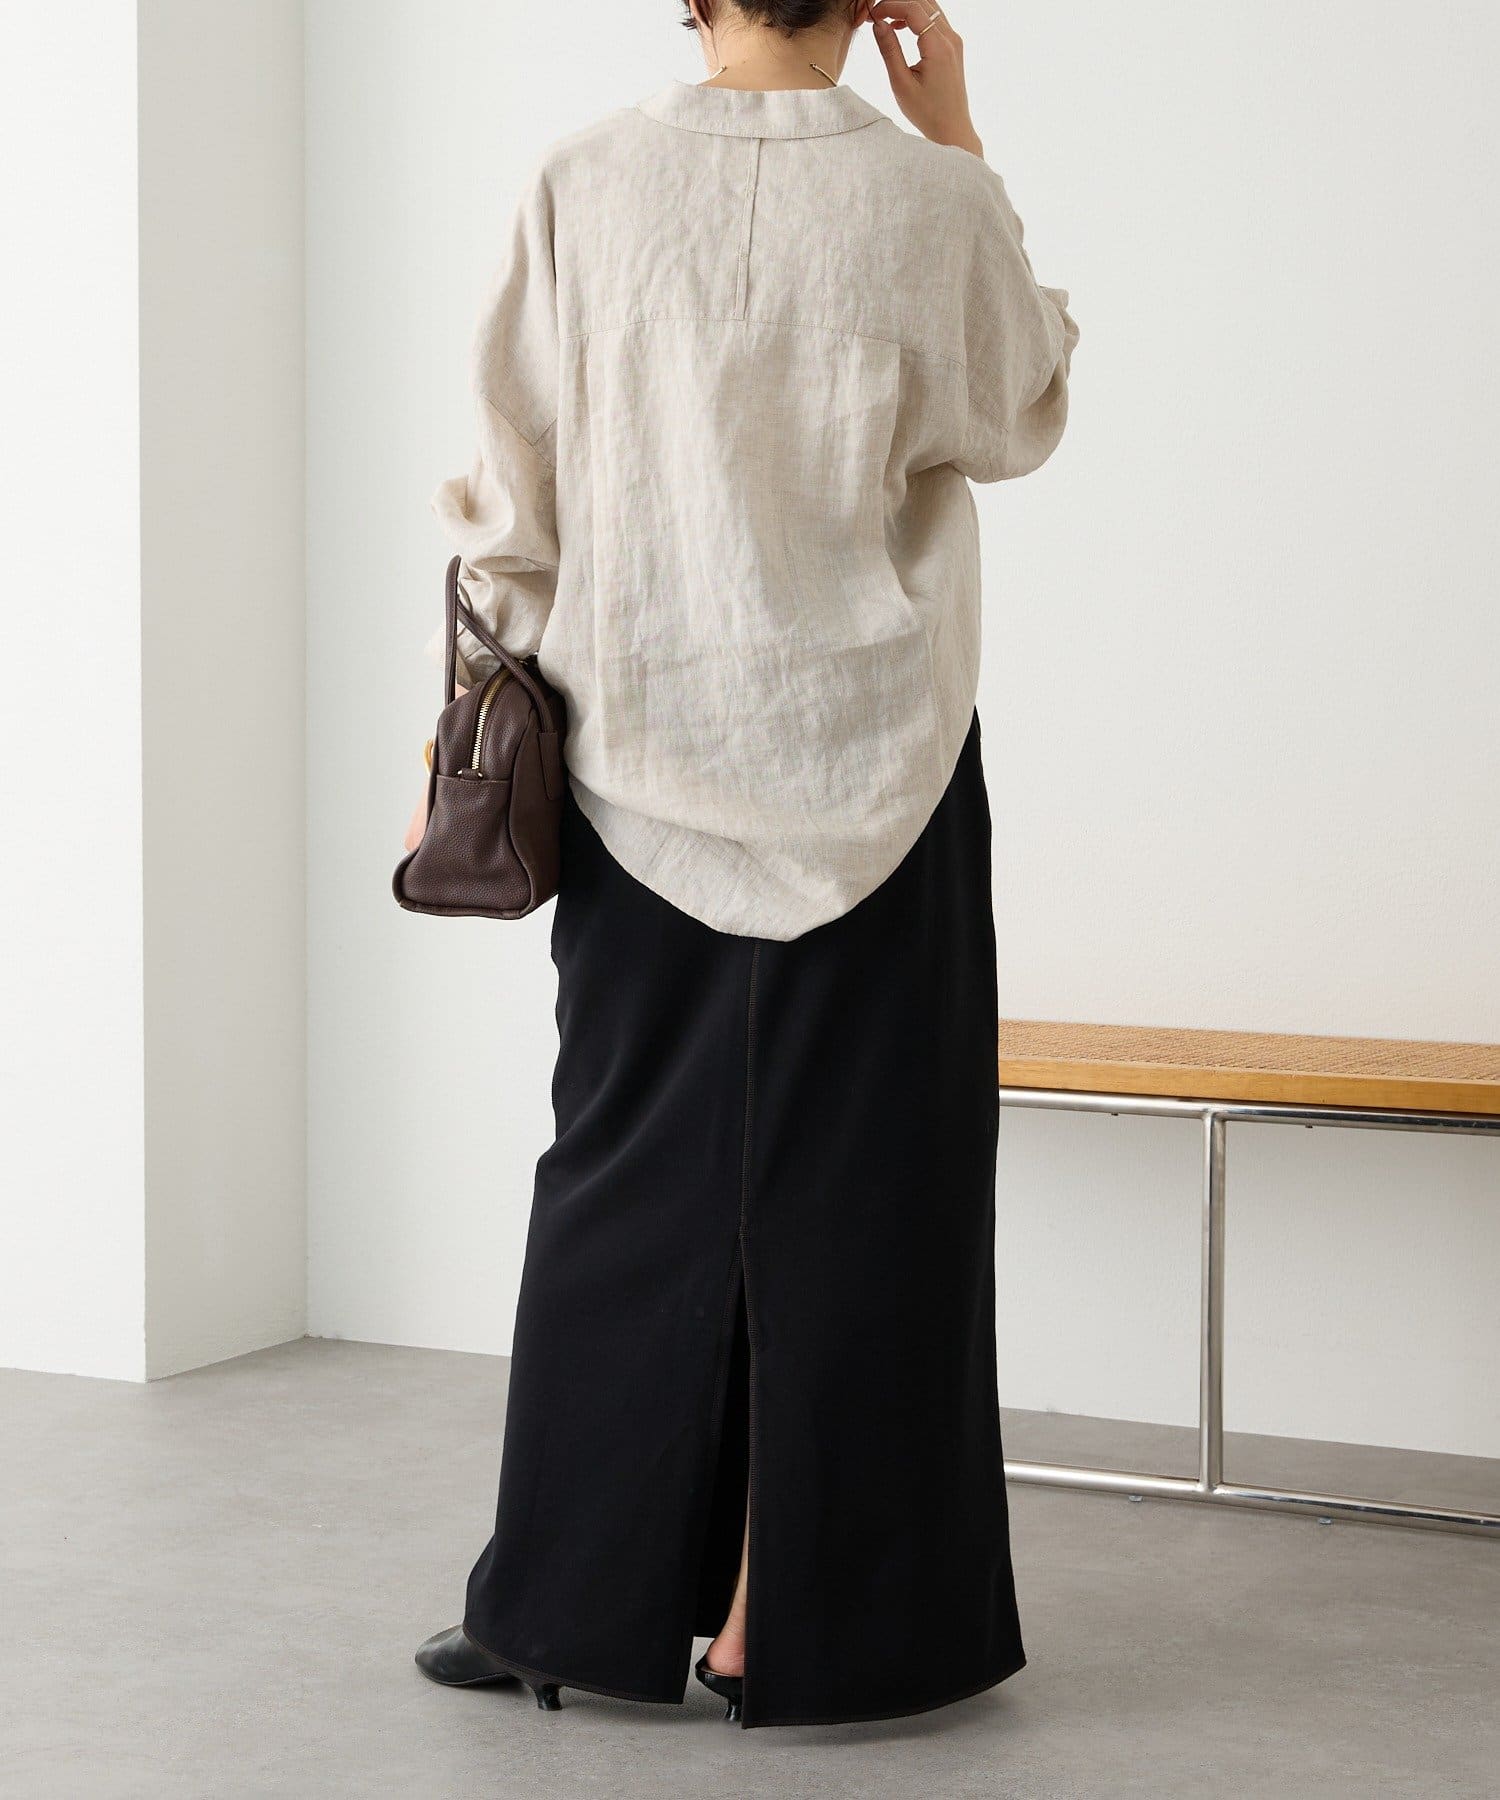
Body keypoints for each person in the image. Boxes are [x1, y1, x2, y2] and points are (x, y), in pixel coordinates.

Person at [408, 0, 1076, 1729]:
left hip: (634, 753)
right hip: (881, 766)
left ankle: (570, 1603)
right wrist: (957, 134)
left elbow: (512, 497)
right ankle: (801, 1617)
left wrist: (459, 740)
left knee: (622, 1178)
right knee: (881, 1190)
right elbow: (1019, 409)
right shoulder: (930, 199)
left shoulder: (584, 181)